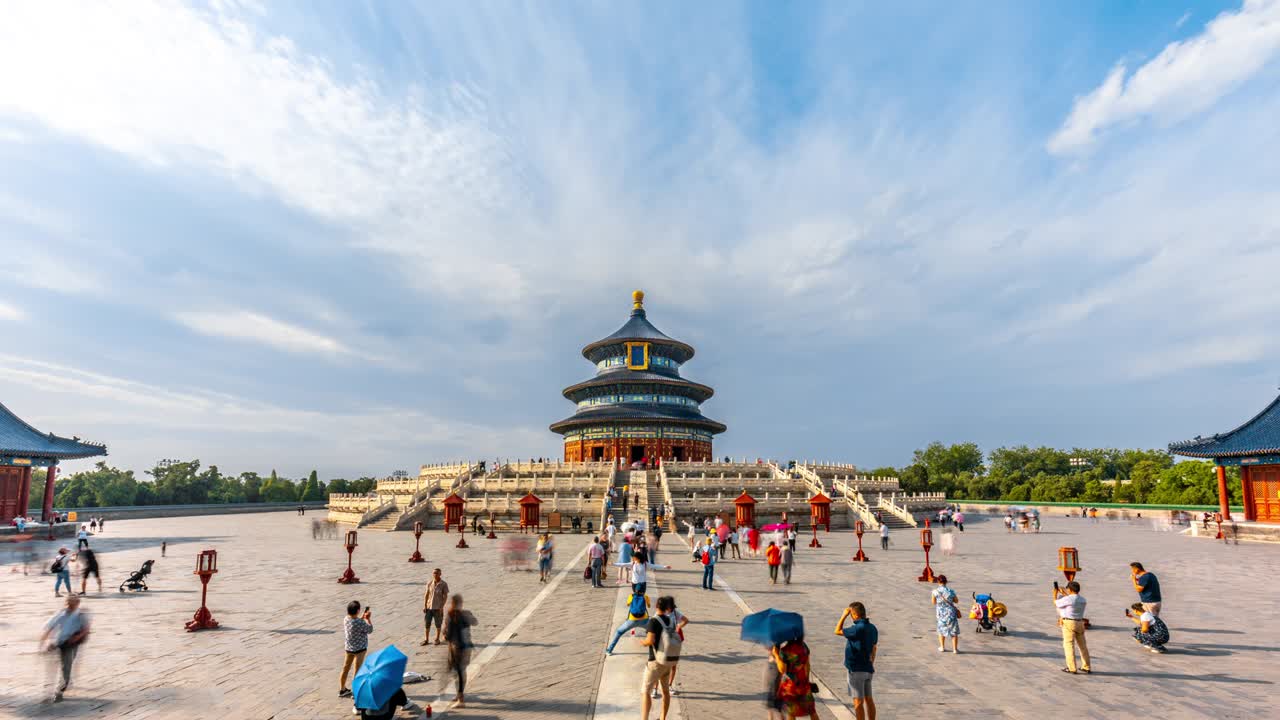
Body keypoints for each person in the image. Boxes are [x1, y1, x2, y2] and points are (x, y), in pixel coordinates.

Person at [41, 595, 91, 703]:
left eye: (73, 603)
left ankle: (59, 692)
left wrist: (76, 638)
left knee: (66, 668)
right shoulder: (61, 614)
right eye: (69, 603)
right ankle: (49, 691)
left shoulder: (80, 615)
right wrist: (45, 641)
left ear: (77, 604)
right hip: (58, 643)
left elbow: (86, 630)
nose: (70, 605)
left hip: (70, 645)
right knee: (52, 668)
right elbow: (50, 627)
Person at [835, 602, 878, 720]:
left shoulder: (857, 628)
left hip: (856, 670)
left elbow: (837, 630)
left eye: (851, 615)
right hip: (868, 669)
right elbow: (874, 648)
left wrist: (843, 615)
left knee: (858, 702)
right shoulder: (873, 628)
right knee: (869, 699)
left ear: (855, 615)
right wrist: (871, 662)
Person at [640, 596, 682, 715]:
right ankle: (663, 717)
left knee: (646, 692)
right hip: (667, 661)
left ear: (656, 606)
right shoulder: (670, 620)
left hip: (655, 662)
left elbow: (650, 640)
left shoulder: (653, 621)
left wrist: (643, 642)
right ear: (667, 608)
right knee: (665, 692)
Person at [770, 637, 817, 720]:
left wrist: (776, 654)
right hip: (804, 684)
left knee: (792, 713)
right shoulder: (804, 646)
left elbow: (782, 669)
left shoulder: (785, 650)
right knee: (812, 711)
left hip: (791, 687)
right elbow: (808, 665)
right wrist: (807, 680)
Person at [443, 594, 475, 708]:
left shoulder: (451, 615)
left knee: (458, 673)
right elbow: (475, 622)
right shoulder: (465, 613)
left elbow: (448, 635)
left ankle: (461, 700)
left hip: (456, 648)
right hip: (467, 647)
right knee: (461, 672)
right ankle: (459, 694)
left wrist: (444, 633)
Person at [1052, 581, 1090, 674]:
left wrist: (1055, 593)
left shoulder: (1069, 599)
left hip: (1069, 623)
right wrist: (1065, 593)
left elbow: (1056, 603)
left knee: (1069, 645)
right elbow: (1072, 599)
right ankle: (1086, 666)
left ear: (1070, 589)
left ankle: (1072, 667)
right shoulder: (1083, 600)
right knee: (1083, 646)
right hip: (1080, 623)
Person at [339, 601, 372, 697]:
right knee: (357, 671)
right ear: (357, 610)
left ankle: (342, 689)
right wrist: (368, 619)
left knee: (345, 668)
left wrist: (362, 617)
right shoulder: (359, 622)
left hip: (349, 648)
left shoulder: (346, 619)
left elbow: (356, 622)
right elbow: (370, 629)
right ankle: (355, 691)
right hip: (359, 649)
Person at [605, 589, 651, 654]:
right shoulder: (645, 597)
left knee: (619, 632)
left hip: (631, 620)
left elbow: (628, 604)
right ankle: (658, 651)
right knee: (655, 632)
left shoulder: (631, 596)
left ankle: (609, 650)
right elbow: (649, 606)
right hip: (644, 621)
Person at [931, 575, 960, 653]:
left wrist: (940, 602)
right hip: (951, 613)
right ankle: (955, 649)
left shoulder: (935, 591)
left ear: (938, 582)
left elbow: (933, 602)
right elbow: (956, 601)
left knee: (941, 630)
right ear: (946, 581)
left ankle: (942, 647)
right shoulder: (950, 591)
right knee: (954, 631)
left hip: (941, 614)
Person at [422, 568, 449, 645]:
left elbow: (445, 596)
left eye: (437, 573)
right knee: (427, 624)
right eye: (434, 573)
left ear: (440, 574)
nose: (435, 574)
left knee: (438, 624)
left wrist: (441, 607)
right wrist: (425, 605)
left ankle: (437, 639)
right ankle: (426, 639)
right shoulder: (430, 583)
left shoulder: (443, 584)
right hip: (429, 607)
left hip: (438, 608)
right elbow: (426, 594)